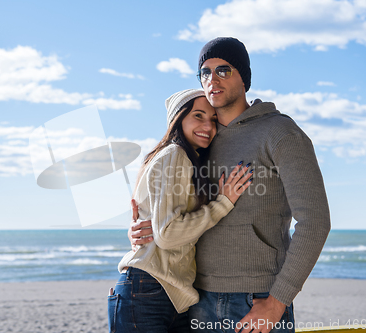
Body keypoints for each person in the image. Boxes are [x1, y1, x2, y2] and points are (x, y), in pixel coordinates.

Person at [129, 37, 331, 333]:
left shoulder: (280, 133)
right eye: (205, 72)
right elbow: (170, 204)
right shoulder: (199, 142)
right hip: (196, 300)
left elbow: (315, 221)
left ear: (245, 78)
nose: (213, 79)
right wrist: (142, 225)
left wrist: (277, 301)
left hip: (256, 301)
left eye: (224, 70)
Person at [108, 88, 254, 333]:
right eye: (198, 115)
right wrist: (223, 203)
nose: (208, 126)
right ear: (178, 118)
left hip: (169, 295)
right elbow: (167, 234)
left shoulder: (185, 160)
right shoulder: (175, 154)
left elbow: (156, 224)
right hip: (149, 290)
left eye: (213, 119)